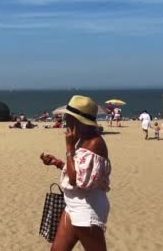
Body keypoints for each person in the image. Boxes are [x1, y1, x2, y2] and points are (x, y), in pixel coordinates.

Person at [39, 95, 111, 251]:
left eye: (69, 117)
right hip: (73, 205)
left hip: (87, 208)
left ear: (78, 120)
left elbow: (75, 180)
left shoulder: (95, 143)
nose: (66, 120)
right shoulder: (83, 138)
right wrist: (57, 163)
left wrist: (69, 148)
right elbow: (82, 171)